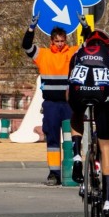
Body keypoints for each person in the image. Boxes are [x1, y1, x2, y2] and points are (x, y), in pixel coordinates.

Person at [22, 13, 90, 186]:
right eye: (57, 41)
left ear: (65, 40)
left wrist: (85, 27)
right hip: (51, 104)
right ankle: (54, 173)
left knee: (72, 138)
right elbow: (26, 46)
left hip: (69, 104)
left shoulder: (73, 53)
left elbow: (89, 45)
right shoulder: (43, 54)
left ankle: (74, 171)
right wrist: (31, 27)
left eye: (62, 41)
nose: (60, 44)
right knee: (52, 139)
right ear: (51, 41)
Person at [68, 29, 109, 217]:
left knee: (76, 114)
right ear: (107, 44)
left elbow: (68, 91)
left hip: (79, 94)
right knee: (107, 147)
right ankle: (108, 203)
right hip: (103, 98)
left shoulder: (77, 54)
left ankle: (77, 157)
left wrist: (76, 108)